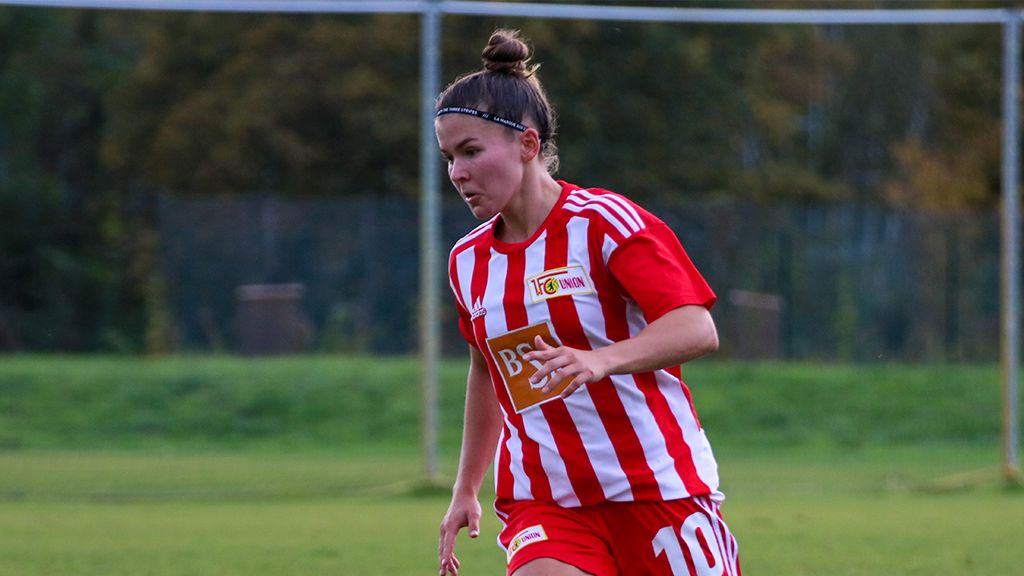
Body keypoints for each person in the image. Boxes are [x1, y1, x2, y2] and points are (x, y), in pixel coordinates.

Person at [436, 29, 741, 576]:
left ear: (527, 145)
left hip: (656, 488)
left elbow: (696, 327)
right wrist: (466, 487)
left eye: (471, 151)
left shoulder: (604, 223)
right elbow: (488, 370)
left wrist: (599, 360)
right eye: (449, 157)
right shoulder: (467, 261)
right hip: (546, 499)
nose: (457, 172)